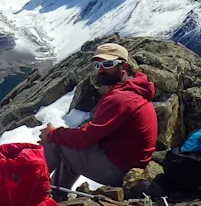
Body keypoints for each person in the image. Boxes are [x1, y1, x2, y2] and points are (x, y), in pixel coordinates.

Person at [40, 43, 158, 194]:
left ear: (124, 66)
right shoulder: (130, 92)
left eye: (108, 64)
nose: (101, 70)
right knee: (67, 143)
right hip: (126, 164)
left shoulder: (121, 99)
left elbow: (87, 137)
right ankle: (55, 196)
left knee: (55, 143)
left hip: (119, 169)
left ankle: (29, 193)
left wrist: (51, 134)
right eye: (97, 65)